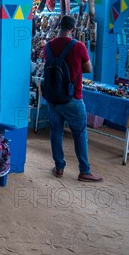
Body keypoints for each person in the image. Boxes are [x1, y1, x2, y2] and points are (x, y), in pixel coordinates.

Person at [45, 15, 103, 182]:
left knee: (56, 132)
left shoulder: (48, 46)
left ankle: (59, 167)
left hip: (53, 98)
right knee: (79, 134)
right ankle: (84, 171)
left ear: (59, 26)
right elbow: (87, 68)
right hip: (72, 98)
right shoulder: (78, 46)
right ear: (73, 28)